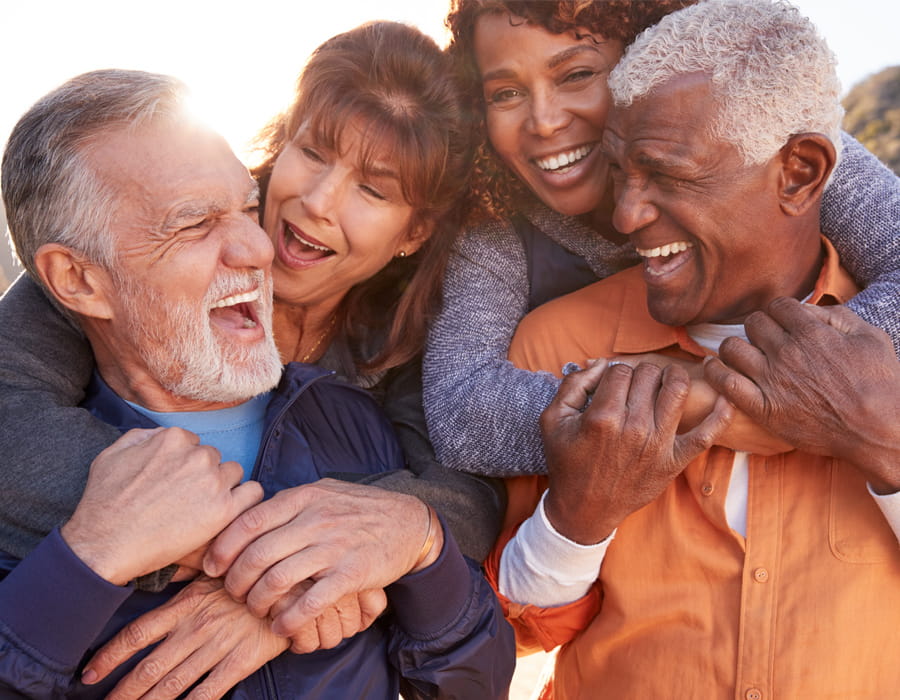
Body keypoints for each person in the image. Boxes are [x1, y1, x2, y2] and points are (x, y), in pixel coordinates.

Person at [0, 67, 514, 699]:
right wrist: (113, 552)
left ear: (413, 235)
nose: (260, 244)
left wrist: (412, 540)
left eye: (375, 191)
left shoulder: (373, 399)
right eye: (196, 224)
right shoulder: (73, 305)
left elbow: (475, 656)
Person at [484, 1, 900, 696]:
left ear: (798, 172)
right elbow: (515, 632)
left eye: (668, 175)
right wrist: (578, 518)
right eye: (621, 172)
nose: (625, 214)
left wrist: (885, 442)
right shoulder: (555, 344)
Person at [422, 0, 900, 477]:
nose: (544, 121)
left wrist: (826, 378)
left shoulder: (769, 142)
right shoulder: (495, 223)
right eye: (505, 93)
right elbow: (462, 414)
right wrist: (705, 395)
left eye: (576, 76)